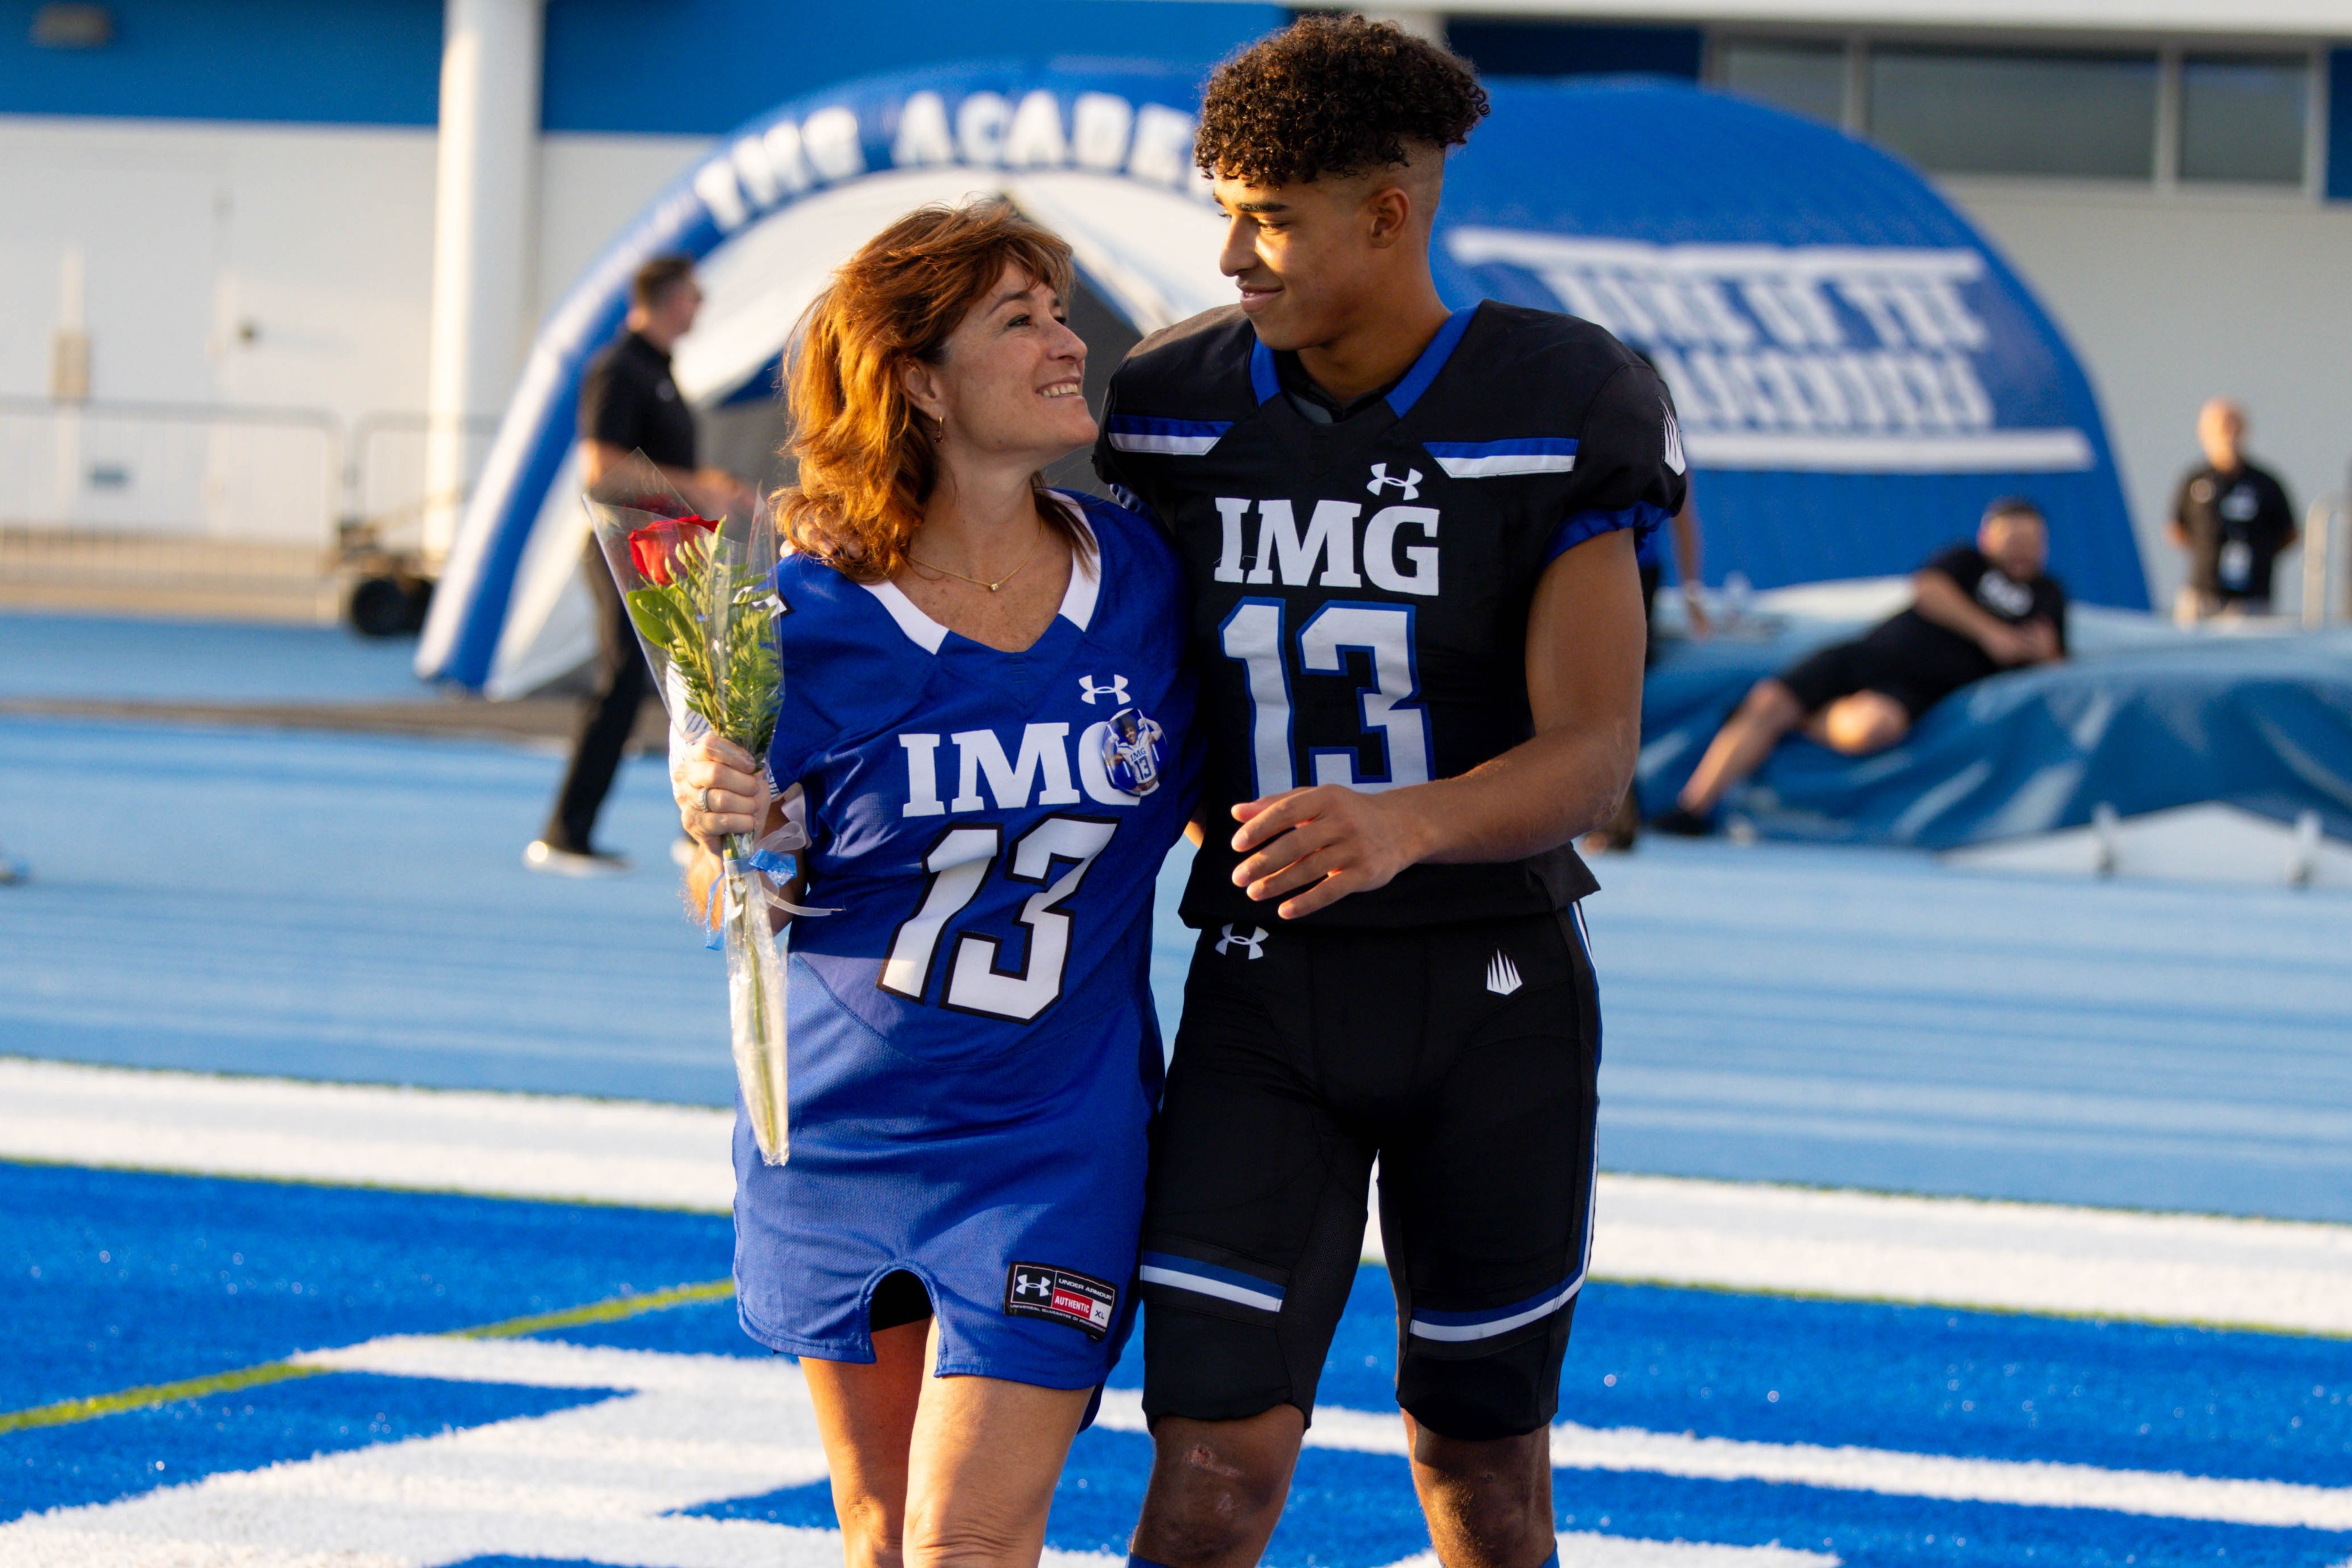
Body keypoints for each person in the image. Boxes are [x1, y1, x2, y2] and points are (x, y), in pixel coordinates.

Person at [1093, 19, 1682, 1567]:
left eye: (1270, 216)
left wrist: (1401, 820)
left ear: (1389, 212)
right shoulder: (1166, 403)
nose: (1231, 254)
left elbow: (1594, 752)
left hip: (1491, 996)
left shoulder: (1557, 393)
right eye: (1222, 208)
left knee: (1482, 1476)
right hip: (1257, 987)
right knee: (1213, 1472)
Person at [671, 200, 1197, 1567]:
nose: (1065, 343)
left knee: (966, 1537)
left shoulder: (1138, 572)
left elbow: (1206, 798)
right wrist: (724, 829)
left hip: (1048, 1137)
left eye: (1060, 310)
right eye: (1016, 320)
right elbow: (734, 889)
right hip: (841, 1127)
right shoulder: (796, 615)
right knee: (881, 1530)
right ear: (914, 377)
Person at [526, 255, 753, 876]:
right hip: (622, 548)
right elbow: (601, 468)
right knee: (624, 683)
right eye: (692, 297)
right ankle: (565, 831)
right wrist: (701, 486)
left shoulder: (660, 371)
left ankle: (702, 826)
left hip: (663, 548)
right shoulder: (619, 369)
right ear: (662, 298)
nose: (699, 309)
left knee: (699, 689)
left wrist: (713, 493)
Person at [1653, 498, 2066, 834]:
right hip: (1866, 653)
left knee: (1869, 728)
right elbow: (1928, 590)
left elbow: (2058, 667)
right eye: (2012, 539)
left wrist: (2042, 654)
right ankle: (1694, 806)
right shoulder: (1964, 563)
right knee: (1768, 702)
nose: (2022, 550)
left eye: (2032, 541)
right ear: (1987, 538)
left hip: (1913, 687)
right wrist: (1989, 632)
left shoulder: (2046, 595)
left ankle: (1798, 719)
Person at [2168, 398, 2297, 625]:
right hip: (2203, 595)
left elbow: (2289, 533)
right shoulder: (2195, 480)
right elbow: (2177, 529)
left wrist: (2259, 553)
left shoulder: (2265, 482)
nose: (2227, 433)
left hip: (2251, 598)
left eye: (2232, 425)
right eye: (2219, 426)